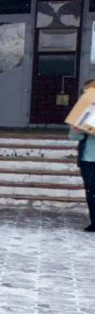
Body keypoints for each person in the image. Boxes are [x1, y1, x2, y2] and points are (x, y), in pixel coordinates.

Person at [70, 79, 95, 232]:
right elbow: (73, 136)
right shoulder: (83, 110)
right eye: (86, 92)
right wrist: (77, 131)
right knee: (91, 191)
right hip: (87, 159)